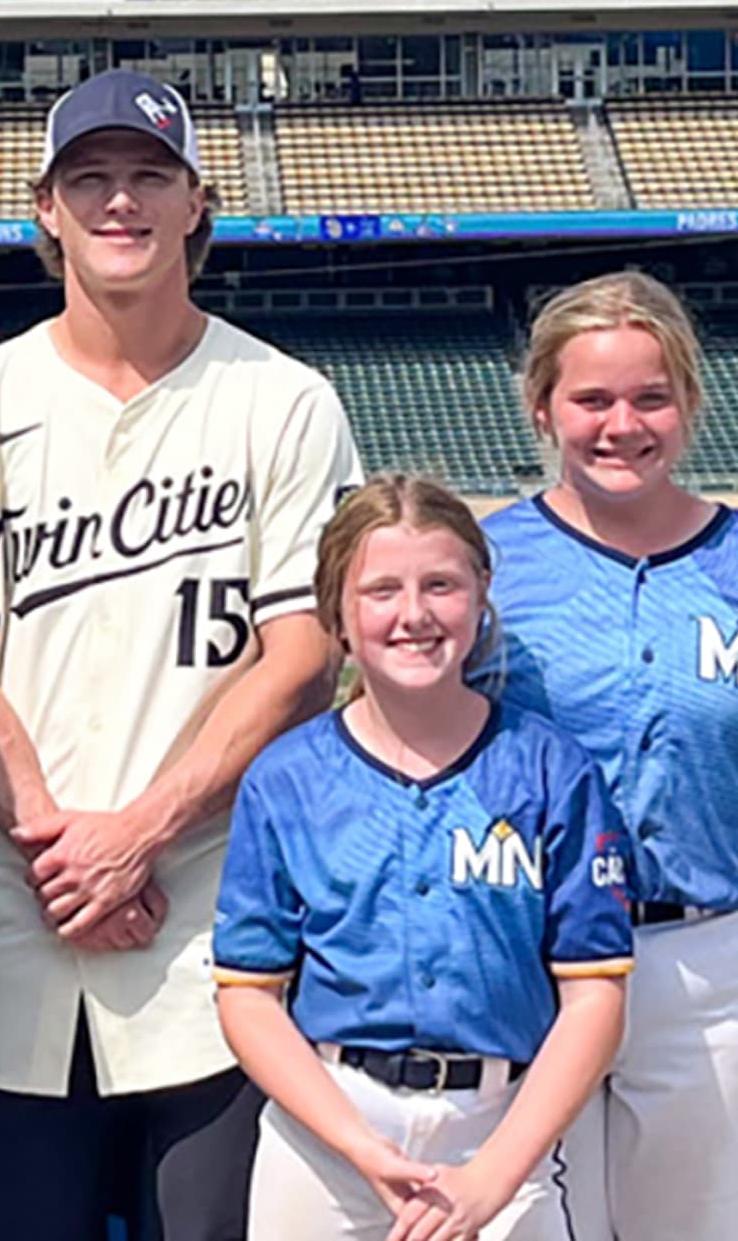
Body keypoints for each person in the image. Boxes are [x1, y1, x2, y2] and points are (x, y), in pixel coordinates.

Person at [0, 67, 364, 1239]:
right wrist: (63, 849)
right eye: (89, 178)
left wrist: (139, 833)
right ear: (46, 209)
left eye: (150, 175)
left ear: (198, 203)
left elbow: (302, 657)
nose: (121, 201)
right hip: (16, 927)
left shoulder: (285, 400)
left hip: (214, 937)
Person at [480, 272, 738, 1241]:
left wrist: (713, 919)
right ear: (541, 407)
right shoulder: (484, 570)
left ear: (689, 404)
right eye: (592, 399)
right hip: (527, 958)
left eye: (650, 397)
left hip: (711, 969)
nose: (623, 425)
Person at [215, 475, 634, 1241]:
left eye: (440, 585)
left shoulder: (552, 771)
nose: (413, 615)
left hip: (501, 1133)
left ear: (481, 593)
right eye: (381, 590)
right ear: (337, 612)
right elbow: (248, 997)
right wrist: (359, 1147)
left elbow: (594, 998)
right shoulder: (286, 779)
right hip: (329, 1135)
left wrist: (492, 1179)